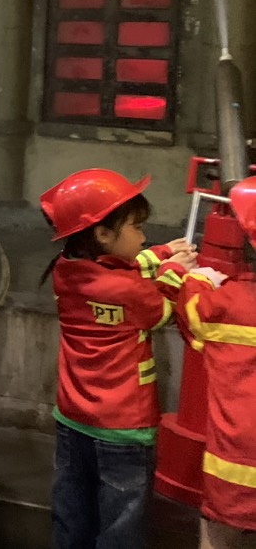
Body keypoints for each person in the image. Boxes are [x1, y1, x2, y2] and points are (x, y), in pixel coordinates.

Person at [41, 169, 196, 549]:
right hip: (125, 428)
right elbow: (159, 310)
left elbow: (118, 268)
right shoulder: (128, 291)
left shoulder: (65, 270)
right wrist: (175, 271)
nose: (143, 237)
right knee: (121, 526)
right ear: (103, 234)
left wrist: (161, 254)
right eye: (137, 228)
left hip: (73, 420)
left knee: (73, 515)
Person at [185, 176, 256, 549]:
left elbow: (192, 316)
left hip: (232, 465)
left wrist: (196, 279)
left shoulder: (225, 304)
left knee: (216, 535)